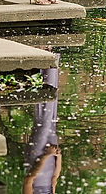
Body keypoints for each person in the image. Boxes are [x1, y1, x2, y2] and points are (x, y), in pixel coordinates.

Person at [23, 62, 62, 193]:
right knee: (51, 119)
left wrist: (46, 155)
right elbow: (55, 179)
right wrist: (58, 156)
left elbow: (29, 179)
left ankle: (42, 65)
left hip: (39, 156)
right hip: (52, 156)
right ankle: (52, 59)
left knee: (43, 121)